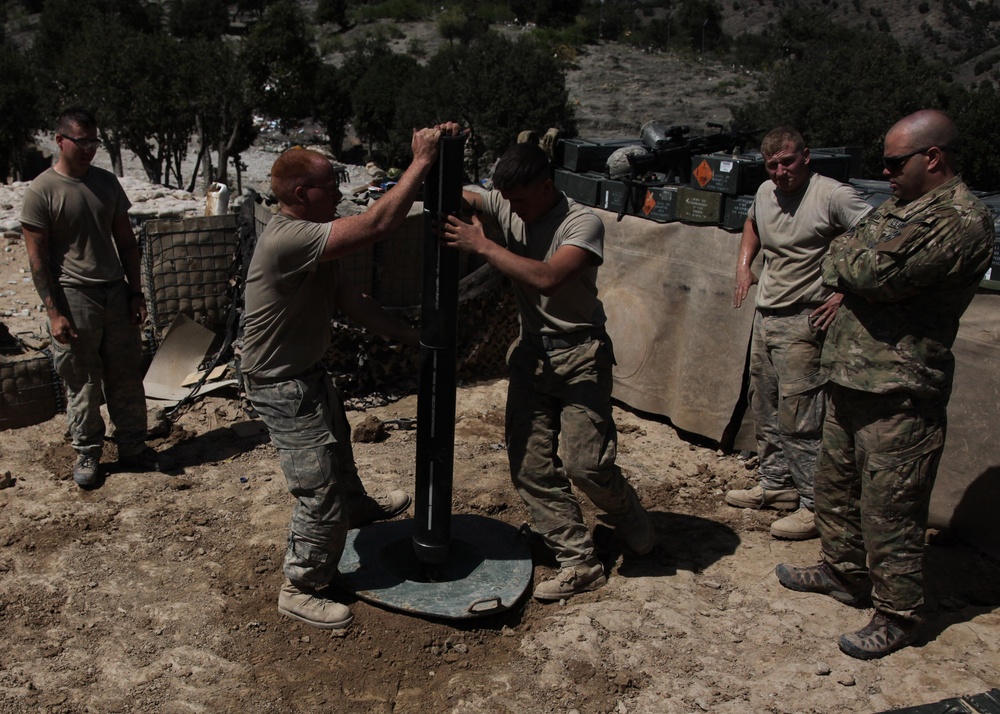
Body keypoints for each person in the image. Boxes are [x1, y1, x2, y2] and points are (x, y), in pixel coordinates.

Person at [775, 110, 995, 659]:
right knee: (837, 489)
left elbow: (876, 274)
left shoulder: (961, 219)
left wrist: (851, 265)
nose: (884, 171)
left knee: (890, 509)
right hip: (852, 377)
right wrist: (851, 263)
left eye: (895, 162)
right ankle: (845, 573)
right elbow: (848, 252)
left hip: (900, 389)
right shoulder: (900, 207)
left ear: (933, 158)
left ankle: (898, 613)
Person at [239, 124, 459, 630]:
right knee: (318, 489)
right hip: (280, 384)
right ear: (300, 194)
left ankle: (356, 509)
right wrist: (421, 161)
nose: (339, 193)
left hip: (305, 374)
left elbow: (350, 299)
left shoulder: (314, 242)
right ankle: (301, 585)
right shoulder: (288, 238)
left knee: (337, 451)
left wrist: (410, 337)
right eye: (329, 186)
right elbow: (380, 223)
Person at [441, 142, 655, 601]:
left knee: (586, 466)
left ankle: (630, 517)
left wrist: (482, 244)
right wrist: (434, 165)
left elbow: (547, 278)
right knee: (530, 467)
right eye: (506, 200)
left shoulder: (583, 223)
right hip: (532, 355)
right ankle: (579, 560)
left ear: (545, 186)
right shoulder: (510, 199)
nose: (512, 210)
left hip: (580, 355)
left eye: (519, 200)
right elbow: (472, 196)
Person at [725, 127, 871, 540]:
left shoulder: (832, 195)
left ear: (807, 156)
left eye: (787, 161)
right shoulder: (765, 193)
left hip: (806, 318)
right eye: (772, 165)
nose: (780, 171)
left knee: (802, 415)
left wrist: (845, 291)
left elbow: (878, 236)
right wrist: (744, 265)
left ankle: (814, 504)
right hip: (767, 313)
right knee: (765, 404)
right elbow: (752, 222)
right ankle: (776, 486)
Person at [21, 107, 164, 489]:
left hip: (115, 292)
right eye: (80, 141)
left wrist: (136, 293)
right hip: (74, 296)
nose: (88, 149)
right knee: (83, 380)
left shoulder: (106, 184)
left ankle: (134, 446)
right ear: (60, 140)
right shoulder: (41, 192)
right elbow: (37, 261)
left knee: (126, 375)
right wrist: (54, 313)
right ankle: (88, 451)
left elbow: (127, 244)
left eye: (93, 142)